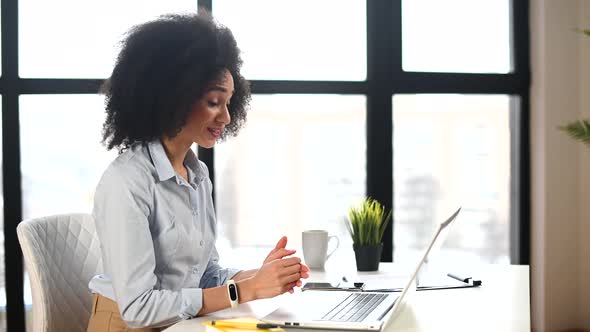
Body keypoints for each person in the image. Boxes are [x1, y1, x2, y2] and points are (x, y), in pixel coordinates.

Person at [87, 13, 310, 332]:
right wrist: (245, 291)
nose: (227, 117)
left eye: (229, 103)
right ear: (172, 96)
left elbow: (204, 275)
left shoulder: (197, 174)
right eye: (214, 102)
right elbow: (139, 309)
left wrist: (258, 277)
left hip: (182, 324)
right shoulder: (127, 181)